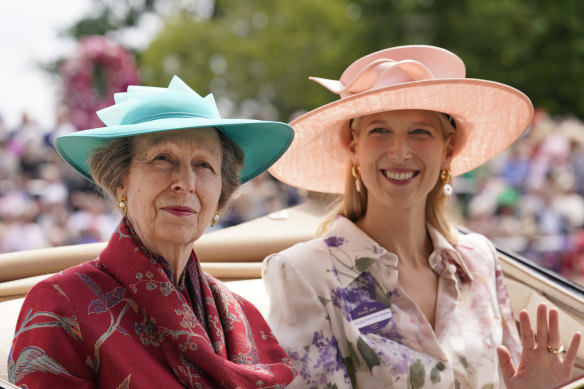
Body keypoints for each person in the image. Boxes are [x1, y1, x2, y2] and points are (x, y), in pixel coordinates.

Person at [263, 45, 582, 388]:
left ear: (449, 150)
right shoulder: (303, 273)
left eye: (420, 132)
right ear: (354, 146)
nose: (400, 151)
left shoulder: (480, 260)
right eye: (380, 130)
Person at [8, 76, 297, 388]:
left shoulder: (244, 316)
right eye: (163, 159)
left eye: (203, 165)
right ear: (121, 181)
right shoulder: (61, 305)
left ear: (221, 195)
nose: (185, 182)